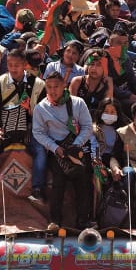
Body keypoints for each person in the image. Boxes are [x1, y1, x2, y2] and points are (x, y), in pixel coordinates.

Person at [0, 50, 48, 198]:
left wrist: (31, 112)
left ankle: (37, 189)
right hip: (5, 126)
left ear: (24, 65)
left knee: (40, 149)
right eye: (10, 65)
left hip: (30, 128)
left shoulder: (38, 85)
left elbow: (44, 111)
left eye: (17, 65)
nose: (13, 69)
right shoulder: (0, 82)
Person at [32, 71, 95, 231]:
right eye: (49, 87)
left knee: (83, 183)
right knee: (57, 184)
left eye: (56, 87)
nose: (53, 91)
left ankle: (83, 221)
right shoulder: (41, 108)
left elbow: (88, 126)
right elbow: (38, 132)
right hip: (57, 149)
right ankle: (55, 221)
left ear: (64, 86)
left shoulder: (78, 103)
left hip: (77, 147)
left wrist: (77, 144)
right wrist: (55, 148)